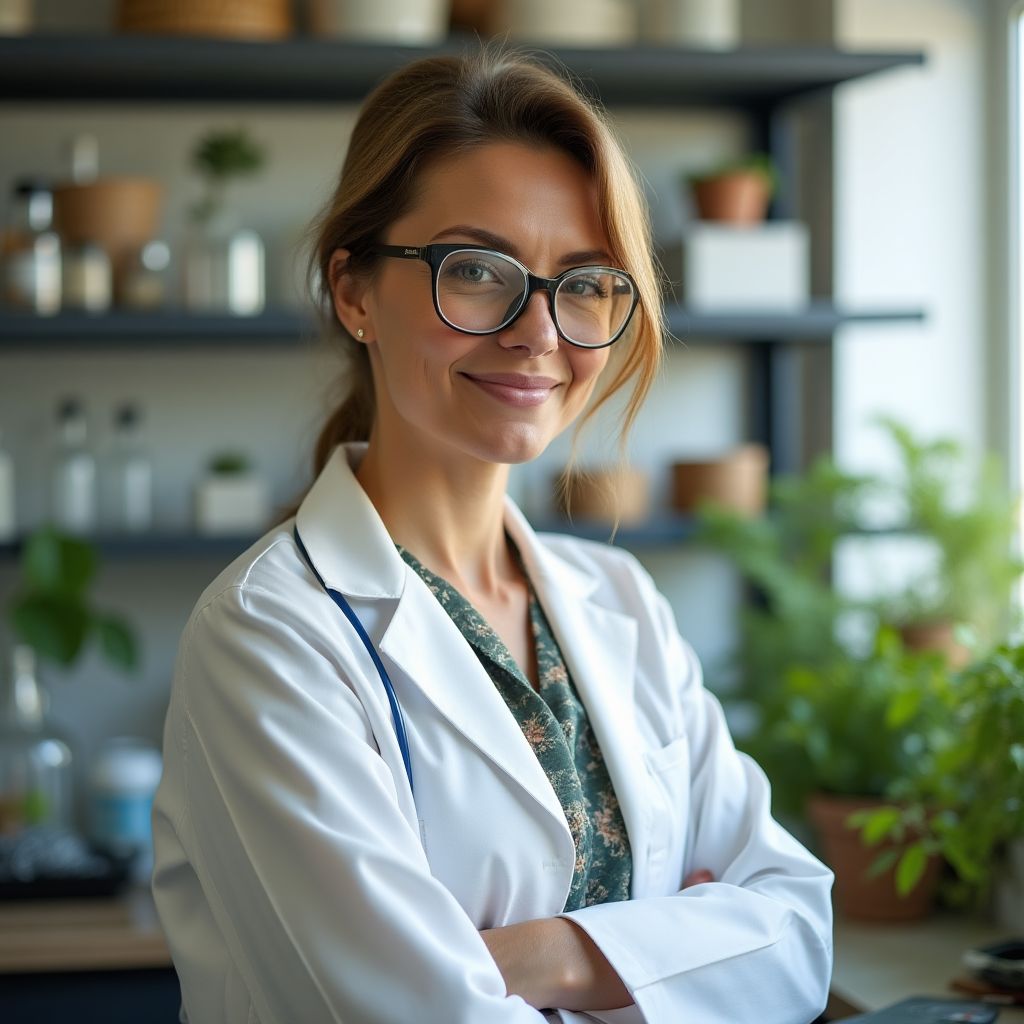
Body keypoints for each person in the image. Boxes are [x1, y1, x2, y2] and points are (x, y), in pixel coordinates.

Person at [151, 47, 833, 1024]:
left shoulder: (621, 601)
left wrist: (548, 958)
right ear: (353, 291)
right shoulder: (268, 636)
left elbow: (797, 931)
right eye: (476, 270)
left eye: (587, 282)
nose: (539, 331)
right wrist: (678, 954)